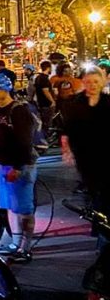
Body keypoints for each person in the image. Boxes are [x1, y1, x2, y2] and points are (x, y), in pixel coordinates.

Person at [0, 74, 39, 263]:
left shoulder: (18, 111)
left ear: (3, 91)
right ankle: (15, 242)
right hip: (5, 165)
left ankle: (25, 247)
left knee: (23, 208)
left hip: (19, 166)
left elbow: (25, 142)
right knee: (11, 208)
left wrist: (18, 167)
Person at [62, 67, 110, 232]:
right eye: (88, 82)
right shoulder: (75, 103)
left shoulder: (107, 102)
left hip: (106, 153)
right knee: (92, 188)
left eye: (96, 82)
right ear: (83, 83)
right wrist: (66, 150)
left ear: (102, 83)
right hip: (84, 154)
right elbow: (67, 129)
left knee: (105, 189)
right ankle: (97, 221)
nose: (92, 85)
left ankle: (103, 223)